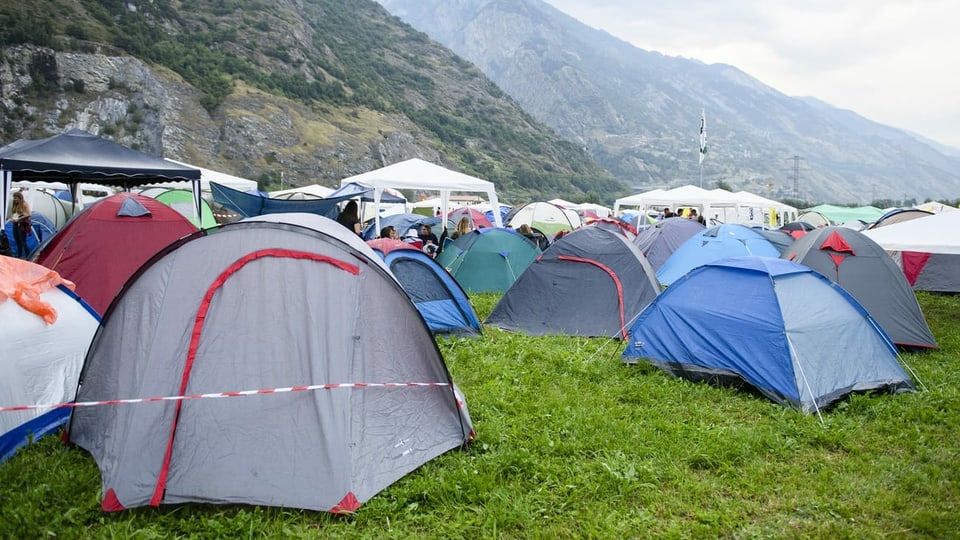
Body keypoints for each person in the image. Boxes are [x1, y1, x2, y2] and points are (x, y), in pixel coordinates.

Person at [10, 191, 32, 258]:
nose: (15, 199)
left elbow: (29, 214)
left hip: (22, 224)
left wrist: (19, 219)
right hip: (15, 224)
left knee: (23, 241)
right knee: (18, 241)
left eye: (16, 198)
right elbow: (13, 214)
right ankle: (19, 256)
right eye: (14, 198)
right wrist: (12, 218)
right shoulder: (15, 205)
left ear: (20, 198)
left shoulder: (24, 204)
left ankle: (28, 257)